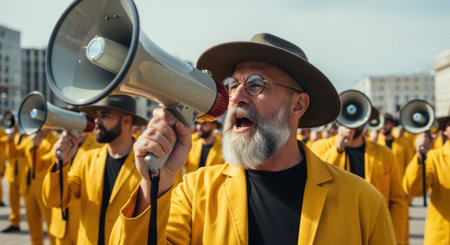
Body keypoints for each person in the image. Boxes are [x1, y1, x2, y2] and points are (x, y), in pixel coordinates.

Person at [110, 33, 396, 244]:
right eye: (233, 84)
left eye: (256, 84)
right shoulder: (194, 192)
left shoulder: (363, 201)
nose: (236, 96)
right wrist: (152, 186)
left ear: (298, 105)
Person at [42, 95, 146, 245]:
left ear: (127, 121)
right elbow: (55, 200)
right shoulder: (87, 159)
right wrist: (61, 164)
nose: (96, 121)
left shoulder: (148, 164)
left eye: (105, 115)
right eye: (96, 115)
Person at [310, 119, 407, 244]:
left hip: (373, 231)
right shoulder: (320, 147)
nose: (352, 122)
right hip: (334, 233)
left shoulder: (385, 154)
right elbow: (315, 180)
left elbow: (397, 201)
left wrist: (395, 239)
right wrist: (338, 149)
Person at [47, 130, 102, 245]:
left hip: (84, 228)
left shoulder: (98, 148)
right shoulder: (60, 145)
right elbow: (52, 195)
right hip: (61, 224)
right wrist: (58, 162)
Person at [403, 114, 450, 245]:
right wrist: (420, 156)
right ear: (444, 131)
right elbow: (412, 188)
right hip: (443, 238)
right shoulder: (434, 157)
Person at [174, 121, 225, 186]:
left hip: (212, 191)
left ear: (214, 126)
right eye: (197, 123)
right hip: (192, 190)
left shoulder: (223, 148)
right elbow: (178, 167)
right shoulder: (191, 144)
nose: (199, 127)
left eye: (204, 124)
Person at [1, 126, 30, 233]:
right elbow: (10, 154)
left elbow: (21, 151)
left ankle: (34, 224)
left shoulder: (30, 138)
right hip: (12, 174)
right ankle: (14, 222)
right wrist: (11, 139)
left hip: (23, 175)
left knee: (28, 203)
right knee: (13, 201)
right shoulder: (16, 137)